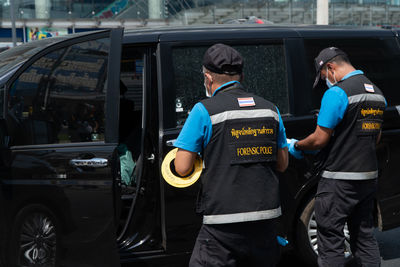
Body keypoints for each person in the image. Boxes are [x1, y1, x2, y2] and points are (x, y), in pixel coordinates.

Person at [173, 43, 289, 267]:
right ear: (242, 76)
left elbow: (182, 167)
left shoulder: (203, 110)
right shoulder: (270, 109)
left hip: (222, 224)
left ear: (208, 78)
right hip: (265, 220)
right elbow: (282, 164)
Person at [288, 47, 386, 267]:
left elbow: (319, 139)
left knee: (330, 240)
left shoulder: (337, 93)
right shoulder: (377, 93)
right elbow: (376, 138)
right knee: (364, 237)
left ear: (330, 67)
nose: (326, 82)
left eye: (324, 78)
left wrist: (297, 145)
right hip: (368, 178)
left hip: (338, 181)